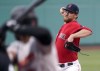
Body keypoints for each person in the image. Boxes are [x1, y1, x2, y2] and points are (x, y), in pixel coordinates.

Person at [6, 5, 58, 71]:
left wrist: (18, 28)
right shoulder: (16, 45)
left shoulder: (38, 42)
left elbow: (45, 34)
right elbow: (8, 56)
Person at [55, 3, 92, 71]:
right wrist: (63, 12)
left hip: (70, 67)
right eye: (66, 11)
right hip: (57, 66)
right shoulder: (65, 25)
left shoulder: (74, 25)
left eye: (70, 12)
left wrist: (73, 35)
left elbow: (89, 31)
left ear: (75, 15)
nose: (66, 14)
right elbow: (66, 16)